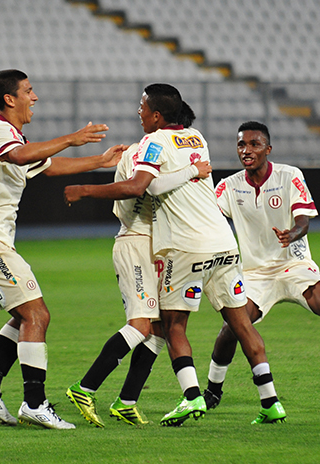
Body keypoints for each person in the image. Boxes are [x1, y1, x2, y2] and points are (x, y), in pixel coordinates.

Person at [64, 84, 286, 426]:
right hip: (225, 244)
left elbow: (143, 186)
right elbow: (175, 179)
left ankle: (191, 397)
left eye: (142, 107)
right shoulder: (196, 137)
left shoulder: (152, 144)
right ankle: (271, 402)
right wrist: (191, 172)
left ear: (156, 114)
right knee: (240, 323)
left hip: (186, 246)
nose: (138, 112)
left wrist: (83, 189)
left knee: (171, 324)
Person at [0, 69, 126, 430]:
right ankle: (34, 402)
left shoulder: (14, 137)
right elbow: (20, 158)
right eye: (29, 91)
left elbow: (45, 166)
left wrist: (100, 161)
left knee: (23, 317)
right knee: (38, 316)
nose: (35, 98)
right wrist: (72, 138)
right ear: (9, 99)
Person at [203, 121, 320, 416]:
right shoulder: (228, 186)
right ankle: (211, 393)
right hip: (255, 273)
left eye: (254, 144)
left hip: (294, 265)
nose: (247, 150)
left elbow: (303, 219)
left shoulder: (289, 175)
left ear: (268, 149)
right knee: (232, 329)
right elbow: (209, 219)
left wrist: (292, 234)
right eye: (242, 144)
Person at [65, 104, 212, 428]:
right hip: (135, 242)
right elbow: (140, 188)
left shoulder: (164, 150)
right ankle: (84, 387)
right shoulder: (141, 153)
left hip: (157, 247)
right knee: (142, 324)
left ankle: (127, 400)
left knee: (158, 327)